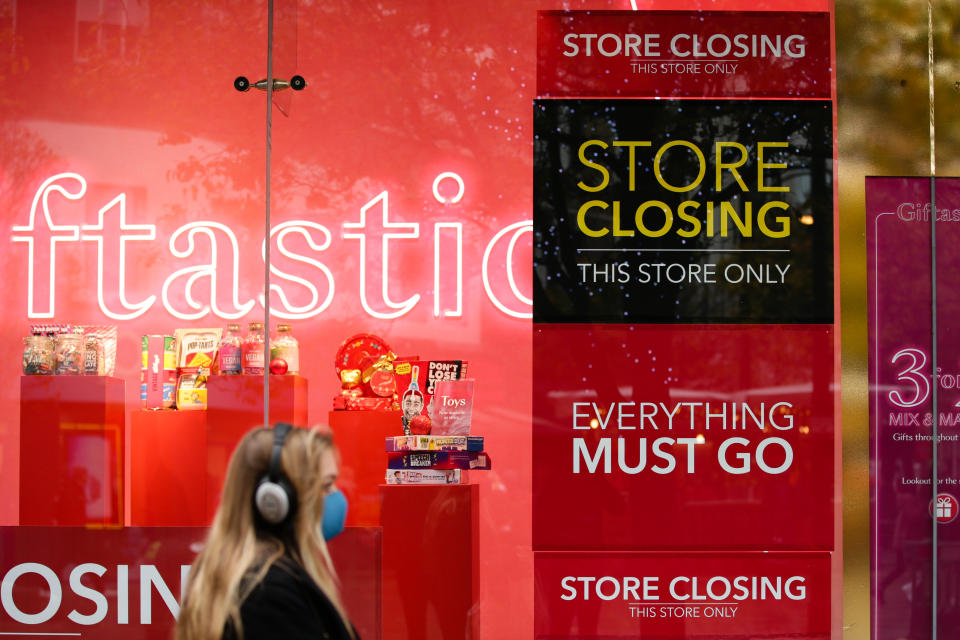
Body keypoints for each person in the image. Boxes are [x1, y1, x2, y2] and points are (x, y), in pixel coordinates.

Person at [176, 424, 356, 640]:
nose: (337, 496)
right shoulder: (267, 593)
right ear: (275, 502)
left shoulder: (264, 578)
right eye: (326, 486)